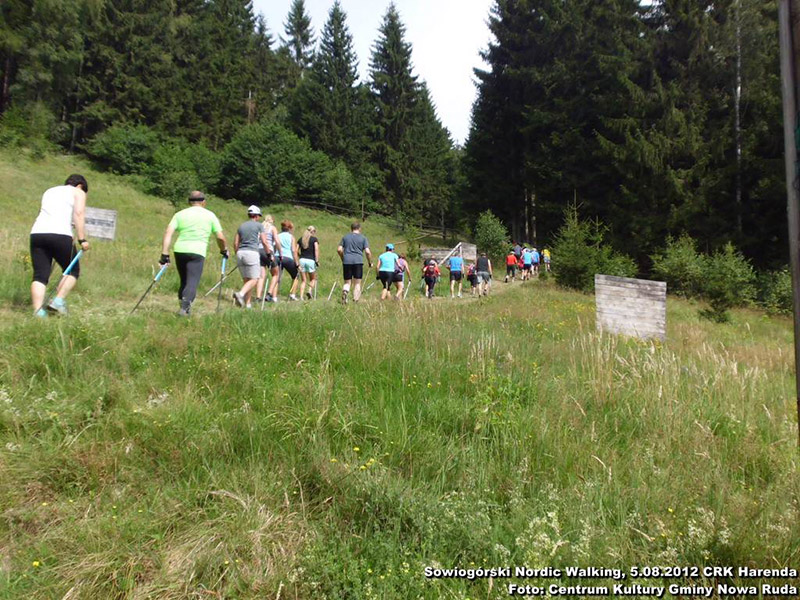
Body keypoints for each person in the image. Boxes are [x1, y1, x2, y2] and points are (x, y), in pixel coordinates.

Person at [29, 174, 90, 316]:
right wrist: (82, 239)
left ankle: (38, 312)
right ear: (80, 185)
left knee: (40, 275)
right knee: (72, 270)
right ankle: (58, 301)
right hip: (60, 234)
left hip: (37, 233)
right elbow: (79, 213)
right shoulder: (78, 192)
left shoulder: (49, 191)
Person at [160, 191, 228, 317]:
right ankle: (184, 309)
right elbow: (220, 237)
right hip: (198, 251)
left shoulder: (179, 214)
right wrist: (223, 250)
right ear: (203, 202)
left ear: (189, 202)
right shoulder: (210, 215)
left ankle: (183, 307)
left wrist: (164, 254)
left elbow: (168, 233)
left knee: (184, 281)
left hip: (180, 249)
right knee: (192, 281)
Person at [233, 205, 271, 309]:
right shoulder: (259, 226)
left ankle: (247, 305)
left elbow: (236, 243)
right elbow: (264, 241)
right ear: (257, 216)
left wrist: (237, 253)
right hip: (252, 253)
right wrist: (269, 254)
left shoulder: (241, 226)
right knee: (255, 279)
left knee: (247, 280)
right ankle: (240, 294)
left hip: (240, 253)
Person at [337, 222, 372, 304]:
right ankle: (355, 300)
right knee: (357, 282)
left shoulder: (345, 237)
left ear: (351, 228)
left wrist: (343, 257)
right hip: (358, 261)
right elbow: (367, 252)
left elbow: (339, 249)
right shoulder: (363, 238)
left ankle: (345, 291)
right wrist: (370, 262)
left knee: (347, 281)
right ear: (359, 228)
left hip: (347, 261)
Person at [277, 220, 301, 301]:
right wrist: (297, 263)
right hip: (288, 258)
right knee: (296, 275)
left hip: (277, 257)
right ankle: (292, 294)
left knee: (276, 277)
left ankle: (273, 295)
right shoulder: (291, 237)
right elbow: (294, 250)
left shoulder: (278, 235)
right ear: (290, 228)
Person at [298, 225, 320, 300]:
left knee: (303, 280)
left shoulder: (301, 239)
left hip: (302, 260)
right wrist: (317, 260)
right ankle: (309, 291)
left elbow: (295, 249)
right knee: (313, 279)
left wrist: (299, 255)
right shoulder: (314, 239)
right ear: (313, 231)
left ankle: (301, 297)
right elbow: (316, 249)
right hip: (311, 260)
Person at [263, 215, 281, 302]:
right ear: (272, 221)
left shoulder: (260, 227)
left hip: (258, 251)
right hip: (269, 251)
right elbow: (277, 241)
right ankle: (269, 293)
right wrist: (280, 252)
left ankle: (259, 297)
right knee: (276, 274)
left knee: (261, 275)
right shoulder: (272, 228)